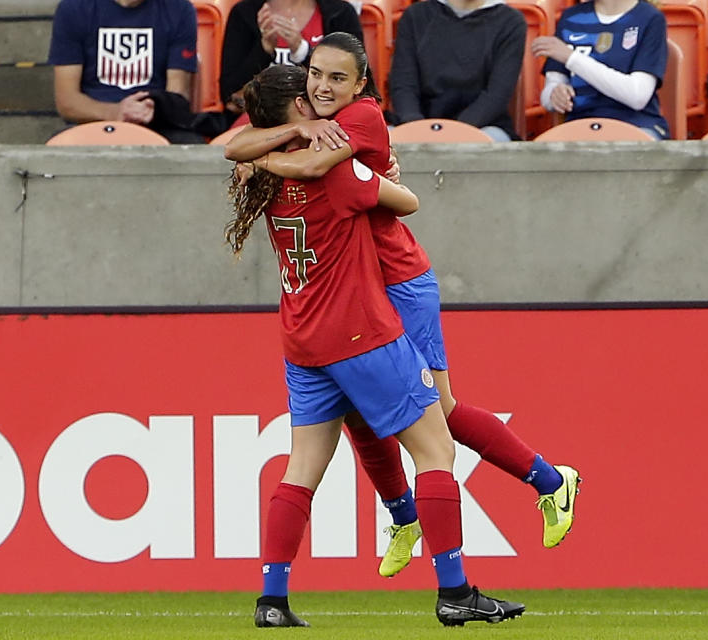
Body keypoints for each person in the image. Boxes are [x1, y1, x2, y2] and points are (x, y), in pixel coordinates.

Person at [227, 32, 581, 579]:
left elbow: (322, 172)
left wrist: (267, 157)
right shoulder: (313, 129)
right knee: (360, 416)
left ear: (361, 84)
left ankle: (549, 481)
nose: (324, 87)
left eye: (336, 78)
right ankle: (405, 516)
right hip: (357, 288)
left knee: (439, 413)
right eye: (316, 75)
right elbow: (238, 147)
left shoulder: (362, 117)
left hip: (398, 281)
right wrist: (287, 139)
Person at [48, 0, 206, 142]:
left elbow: (177, 96)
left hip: (155, 123)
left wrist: (151, 112)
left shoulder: (180, 9)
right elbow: (67, 102)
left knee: (191, 144)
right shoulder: (73, 9)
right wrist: (116, 112)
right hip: (92, 124)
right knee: (58, 148)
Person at [388, 0, 527, 142]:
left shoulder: (511, 22)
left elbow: (497, 94)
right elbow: (404, 84)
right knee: (378, 146)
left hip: (483, 125)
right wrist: (416, 127)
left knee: (487, 145)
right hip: (417, 125)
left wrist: (455, 133)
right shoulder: (415, 16)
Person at [531, 0, 669, 140]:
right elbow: (550, 90)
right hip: (579, 126)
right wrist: (555, 94)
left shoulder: (650, 18)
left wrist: (572, 58)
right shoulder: (570, 17)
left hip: (636, 124)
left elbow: (637, 96)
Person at [219, 0, 364, 123]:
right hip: (258, 120)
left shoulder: (341, 13)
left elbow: (355, 81)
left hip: (326, 120)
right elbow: (231, 98)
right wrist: (263, 51)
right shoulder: (244, 13)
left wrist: (301, 50)